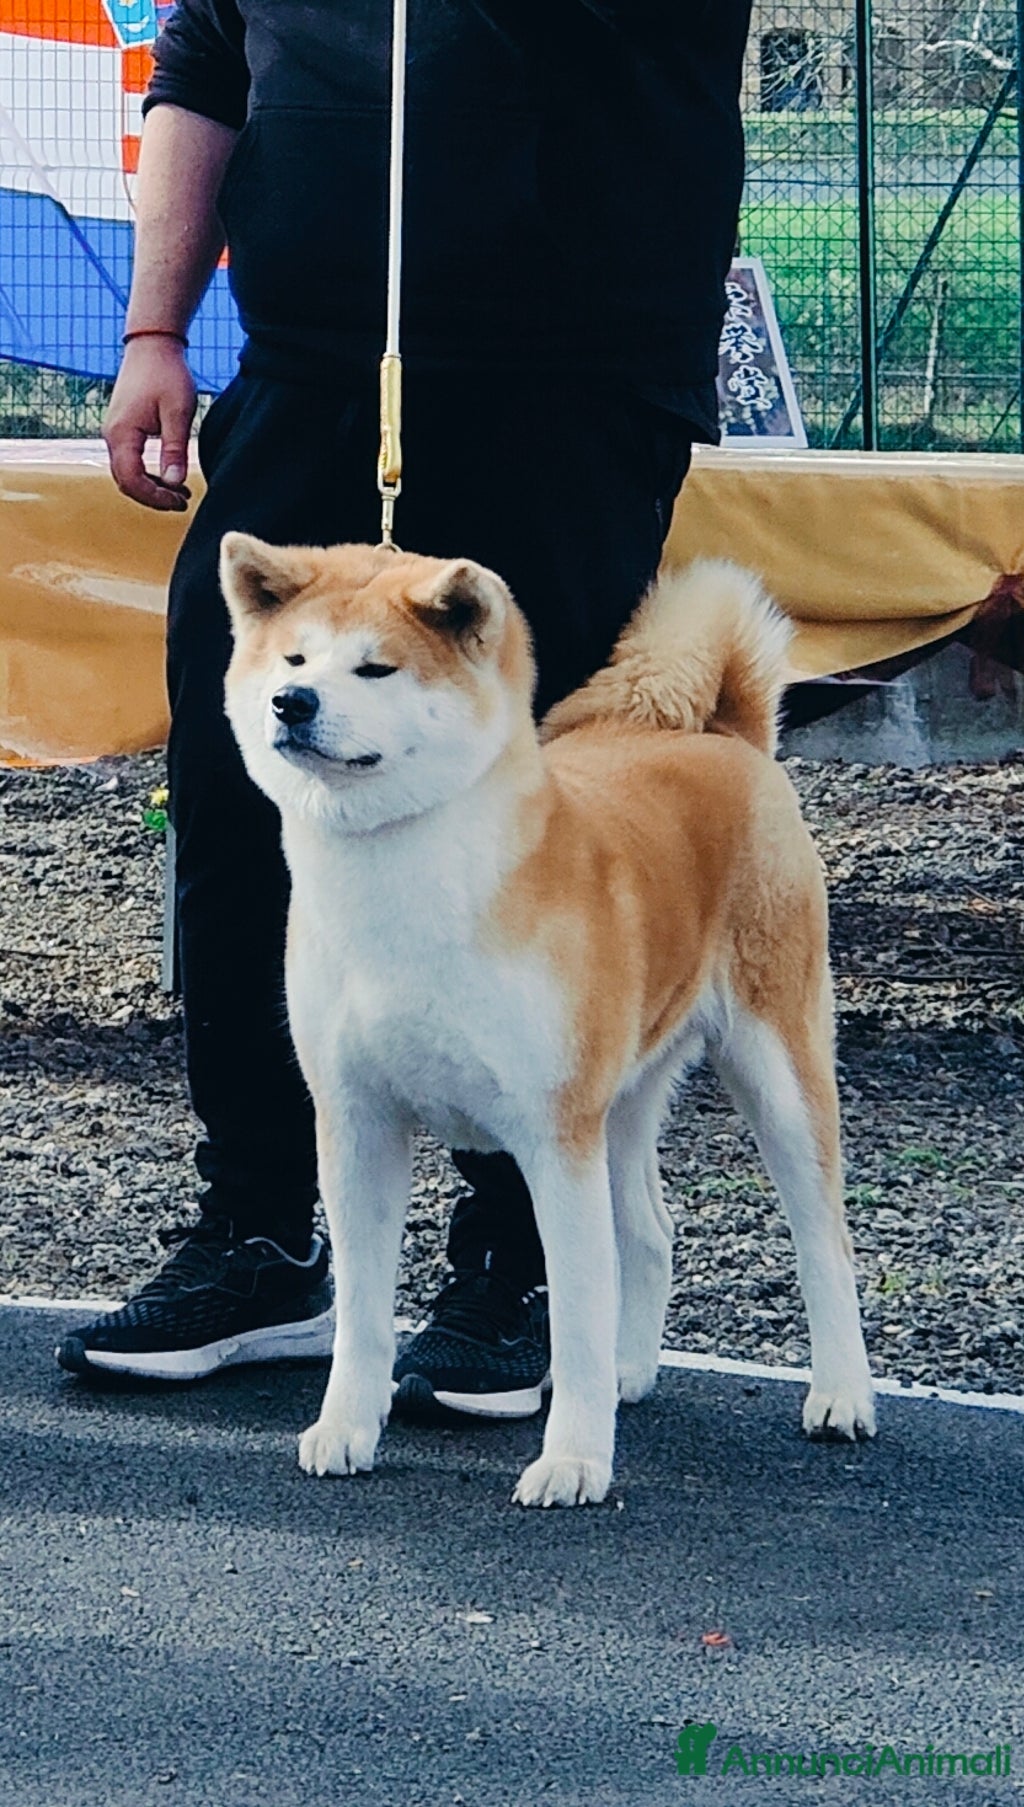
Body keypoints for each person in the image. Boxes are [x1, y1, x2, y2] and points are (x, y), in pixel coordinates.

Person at [57, 1, 752, 1415]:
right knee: (246, 775)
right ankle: (261, 1228)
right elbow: (203, 66)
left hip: (573, 378)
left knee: (545, 801)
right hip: (305, 369)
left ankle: (525, 1259)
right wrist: (155, 328)